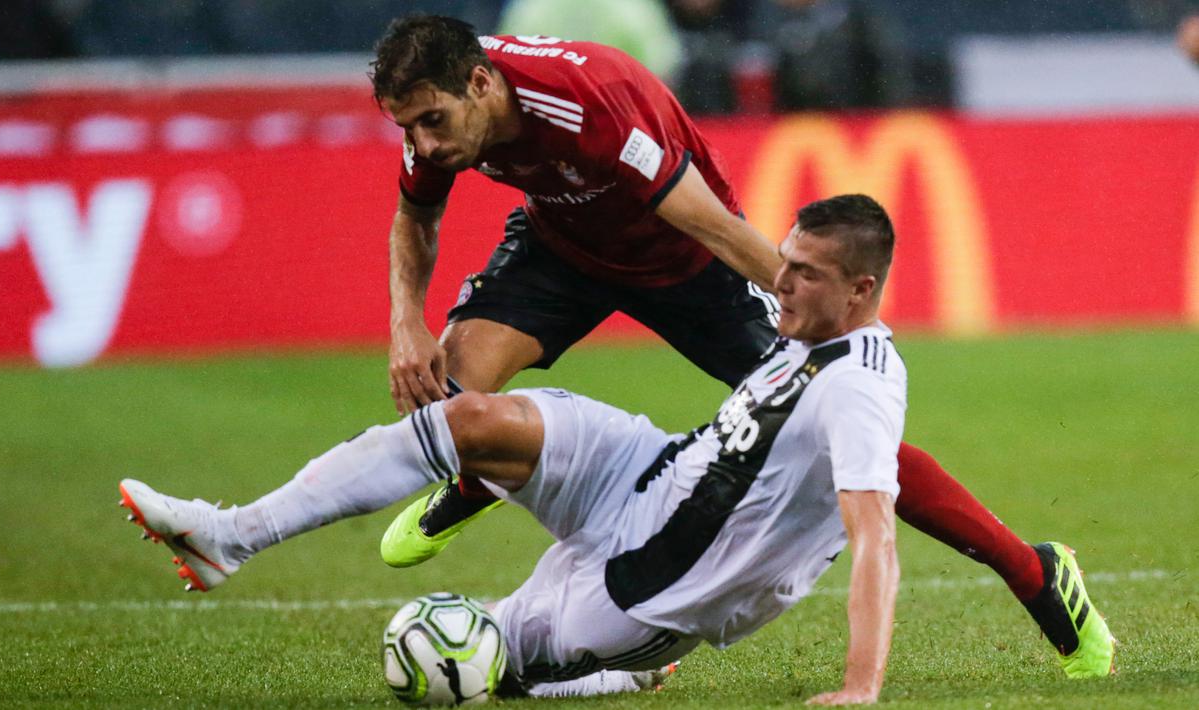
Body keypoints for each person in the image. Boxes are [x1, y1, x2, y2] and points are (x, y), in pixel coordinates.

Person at [119, 196, 1115, 704]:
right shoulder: (808, 338)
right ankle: (231, 534)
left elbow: (875, 535)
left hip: (653, 585)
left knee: (490, 668)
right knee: (472, 411)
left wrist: (860, 683)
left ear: (861, 289)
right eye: (783, 261)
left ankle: (630, 667)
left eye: (804, 274)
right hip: (639, 473)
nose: (779, 284)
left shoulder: (856, 386)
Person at [365, 16, 1075, 661]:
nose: (425, 143)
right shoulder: (437, 108)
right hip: (563, 249)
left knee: (844, 431)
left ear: (481, 83)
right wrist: (405, 324)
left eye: (431, 122)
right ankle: (475, 481)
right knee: (443, 392)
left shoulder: (586, 102)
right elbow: (415, 216)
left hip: (687, 263)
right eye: (409, 129)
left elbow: (711, 226)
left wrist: (839, 343)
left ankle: (1031, 570)